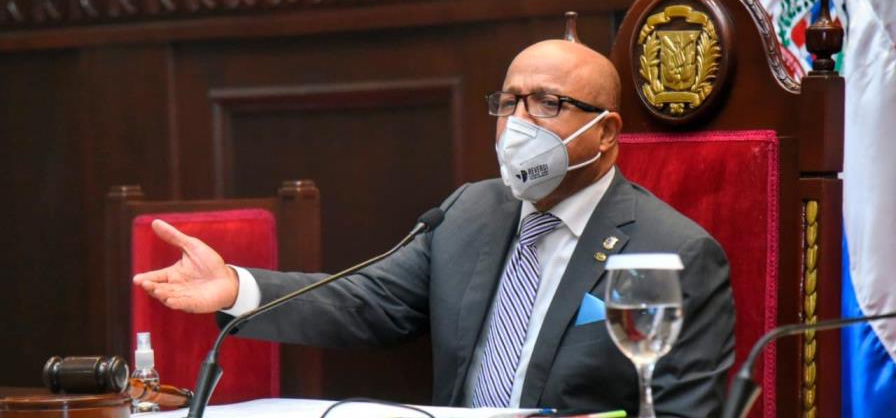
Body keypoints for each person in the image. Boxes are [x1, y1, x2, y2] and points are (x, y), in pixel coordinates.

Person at [134, 39, 735, 416]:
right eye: (508, 102)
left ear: (605, 133)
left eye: (547, 104)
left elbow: (686, 411)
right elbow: (366, 300)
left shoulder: (676, 252)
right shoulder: (472, 209)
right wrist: (236, 288)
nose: (517, 123)